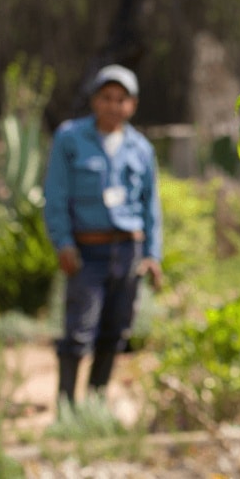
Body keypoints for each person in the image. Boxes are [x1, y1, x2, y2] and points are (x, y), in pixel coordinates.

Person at [43, 64, 163, 409]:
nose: (113, 105)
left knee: (115, 332)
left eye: (121, 99)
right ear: (95, 101)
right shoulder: (70, 139)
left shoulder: (141, 148)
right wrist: (63, 243)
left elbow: (151, 206)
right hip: (87, 251)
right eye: (106, 97)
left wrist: (152, 254)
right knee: (78, 332)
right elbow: (56, 196)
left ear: (132, 105)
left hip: (127, 251)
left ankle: (96, 403)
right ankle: (67, 408)